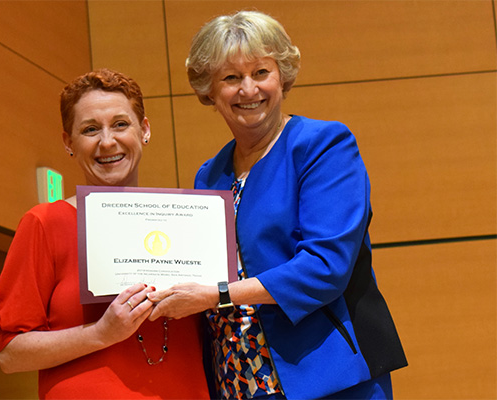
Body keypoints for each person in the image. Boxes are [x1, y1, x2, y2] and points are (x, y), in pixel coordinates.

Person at [147, 11, 407, 399]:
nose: (248, 89)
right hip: (236, 377)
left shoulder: (323, 145)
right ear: (209, 91)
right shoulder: (210, 174)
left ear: (282, 76)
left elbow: (326, 267)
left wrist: (218, 294)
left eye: (261, 72)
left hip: (326, 375)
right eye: (231, 78)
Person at [0, 69, 210, 399]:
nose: (107, 141)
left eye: (120, 124)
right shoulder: (45, 223)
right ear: (68, 142)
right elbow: (10, 355)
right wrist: (101, 333)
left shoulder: (187, 220)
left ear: (144, 130)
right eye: (90, 129)